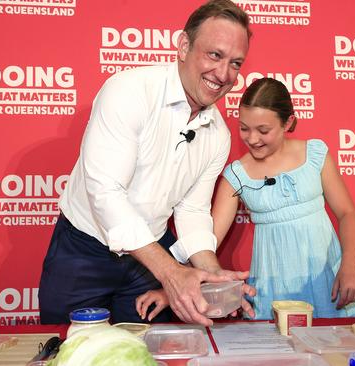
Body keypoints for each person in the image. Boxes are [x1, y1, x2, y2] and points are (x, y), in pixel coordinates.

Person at [38, 0, 254, 327]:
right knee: (68, 353)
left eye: (235, 63)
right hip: (83, 254)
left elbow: (192, 210)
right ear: (183, 46)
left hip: (146, 264)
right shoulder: (127, 91)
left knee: (145, 354)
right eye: (214, 55)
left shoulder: (219, 134)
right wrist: (171, 272)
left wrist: (211, 273)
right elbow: (107, 193)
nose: (224, 74)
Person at [136, 78, 355, 321]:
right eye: (244, 128)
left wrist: (350, 266)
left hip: (327, 281)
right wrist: (172, 286)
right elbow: (205, 242)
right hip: (272, 289)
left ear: (287, 122)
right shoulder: (236, 175)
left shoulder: (315, 154)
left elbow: (347, 214)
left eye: (263, 130)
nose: (253, 139)